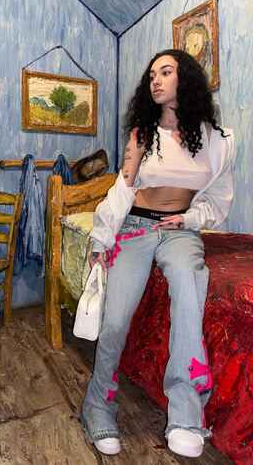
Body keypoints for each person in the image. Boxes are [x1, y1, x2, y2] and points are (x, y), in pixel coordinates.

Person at [80, 49, 234, 458]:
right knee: (115, 319)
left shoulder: (217, 141)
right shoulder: (142, 135)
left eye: (166, 72)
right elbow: (122, 190)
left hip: (180, 230)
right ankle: (97, 404)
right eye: (152, 75)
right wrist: (101, 239)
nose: (156, 80)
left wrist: (189, 219)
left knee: (189, 291)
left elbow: (218, 201)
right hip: (135, 227)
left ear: (187, 79)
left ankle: (186, 415)